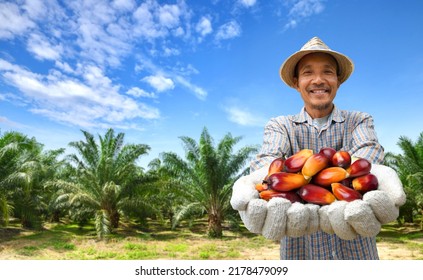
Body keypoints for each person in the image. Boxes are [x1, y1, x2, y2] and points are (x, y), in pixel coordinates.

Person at [230, 37, 406, 260]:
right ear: (296, 82)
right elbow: (270, 159)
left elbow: (367, 151)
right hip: (300, 251)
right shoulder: (280, 125)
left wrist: (368, 172)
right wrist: (260, 180)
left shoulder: (359, 120)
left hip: (357, 252)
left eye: (328, 72)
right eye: (307, 72)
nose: (318, 80)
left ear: (338, 80)